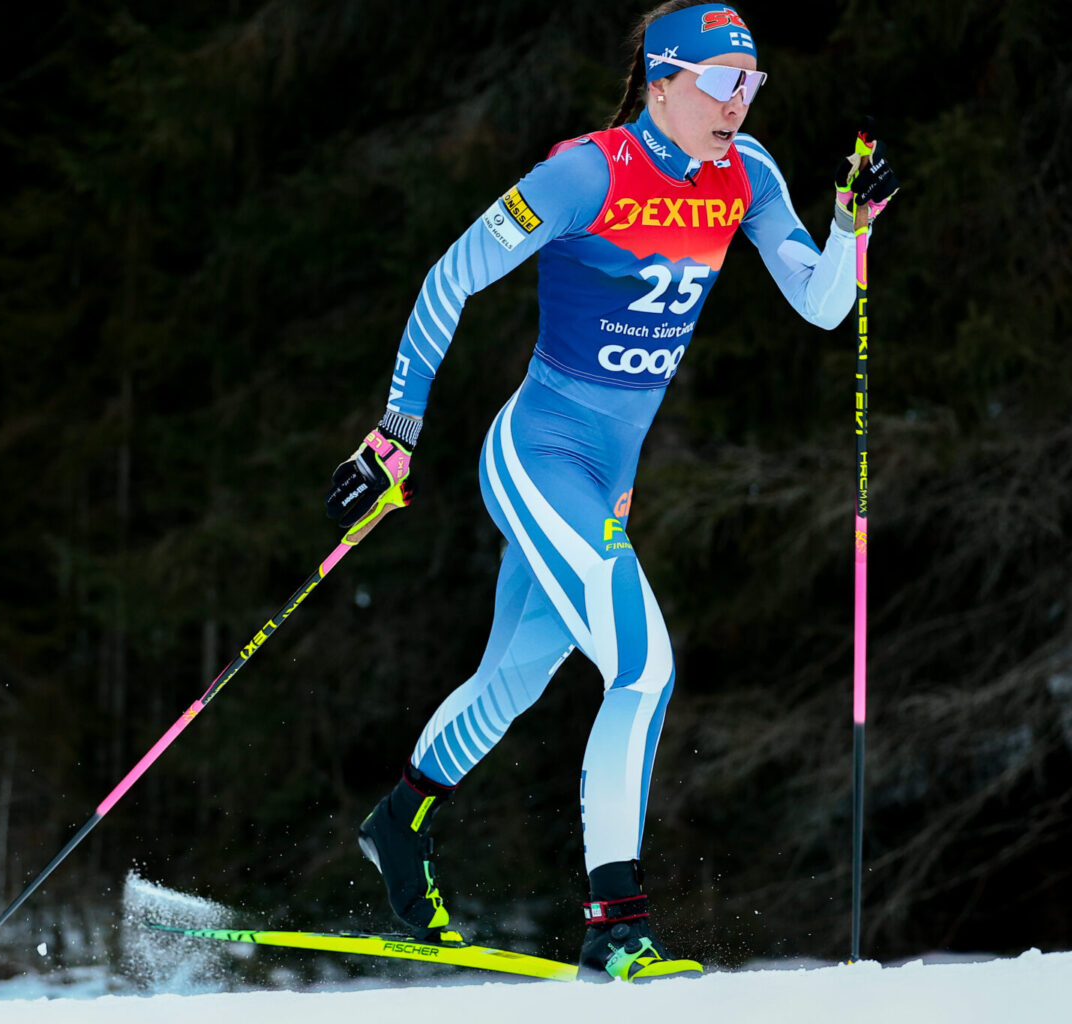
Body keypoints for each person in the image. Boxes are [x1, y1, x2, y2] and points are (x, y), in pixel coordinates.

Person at [323, 1, 898, 982]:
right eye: (723, 84)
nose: (739, 105)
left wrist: (851, 227)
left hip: (608, 478)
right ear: (664, 81)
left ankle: (401, 822)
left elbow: (820, 301)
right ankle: (615, 922)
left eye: (751, 86)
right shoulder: (588, 172)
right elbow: (451, 276)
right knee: (641, 666)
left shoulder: (745, 175)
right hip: (537, 452)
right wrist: (399, 428)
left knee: (516, 677)